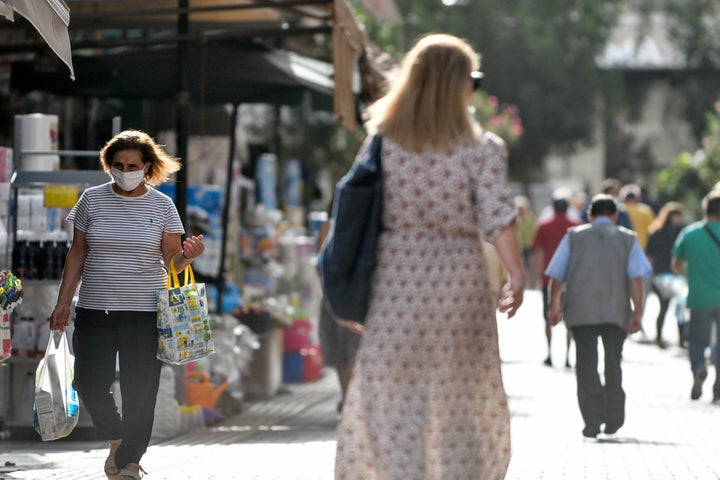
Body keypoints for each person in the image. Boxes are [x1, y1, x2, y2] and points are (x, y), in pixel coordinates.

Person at [333, 34, 526, 480]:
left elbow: (355, 209)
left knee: (394, 398)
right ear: (458, 85)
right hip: (460, 283)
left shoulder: (384, 142)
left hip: (395, 281)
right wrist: (517, 274)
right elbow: (498, 215)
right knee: (461, 397)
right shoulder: (484, 149)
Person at [49, 130, 205, 480]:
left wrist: (188, 256)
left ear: (147, 167)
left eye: (132, 165)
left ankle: (131, 461)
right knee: (88, 382)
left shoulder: (162, 206)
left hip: (145, 313)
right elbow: (78, 253)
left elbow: (172, 261)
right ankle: (117, 437)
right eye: (117, 164)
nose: (124, 170)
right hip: (94, 309)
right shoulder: (91, 200)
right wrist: (63, 302)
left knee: (140, 391)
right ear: (109, 165)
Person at [546, 194, 652, 438]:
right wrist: (638, 312)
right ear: (615, 215)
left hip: (581, 311)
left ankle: (592, 419)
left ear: (590, 215)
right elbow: (637, 278)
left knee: (586, 366)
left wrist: (554, 306)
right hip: (616, 312)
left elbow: (557, 276)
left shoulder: (574, 236)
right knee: (613, 363)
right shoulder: (628, 239)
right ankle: (614, 416)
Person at [672, 190, 720, 402]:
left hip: (699, 296)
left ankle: (699, 367)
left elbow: (676, 265)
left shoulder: (690, 234)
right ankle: (718, 387)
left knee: (697, 340)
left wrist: (690, 275)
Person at [317, 204, 361, 414]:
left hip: (336, 294)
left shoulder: (329, 226)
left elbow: (321, 261)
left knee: (344, 352)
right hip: (345, 293)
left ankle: (349, 397)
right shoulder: (354, 223)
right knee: (347, 350)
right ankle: (350, 398)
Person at [530, 192, 581, 367]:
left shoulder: (543, 225)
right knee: (571, 319)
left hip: (548, 278)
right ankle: (568, 357)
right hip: (572, 279)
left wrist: (533, 275)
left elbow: (537, 252)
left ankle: (550, 354)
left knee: (547, 316)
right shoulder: (576, 226)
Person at [646, 202, 687, 348]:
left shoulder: (654, 232)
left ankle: (659, 337)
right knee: (679, 308)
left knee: (664, 307)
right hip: (674, 275)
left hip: (658, 274)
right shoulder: (681, 233)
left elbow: (649, 255)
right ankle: (681, 340)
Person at [620, 184, 655, 251]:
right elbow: (652, 230)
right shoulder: (646, 210)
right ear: (638, 197)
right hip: (642, 248)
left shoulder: (619, 210)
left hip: (623, 249)